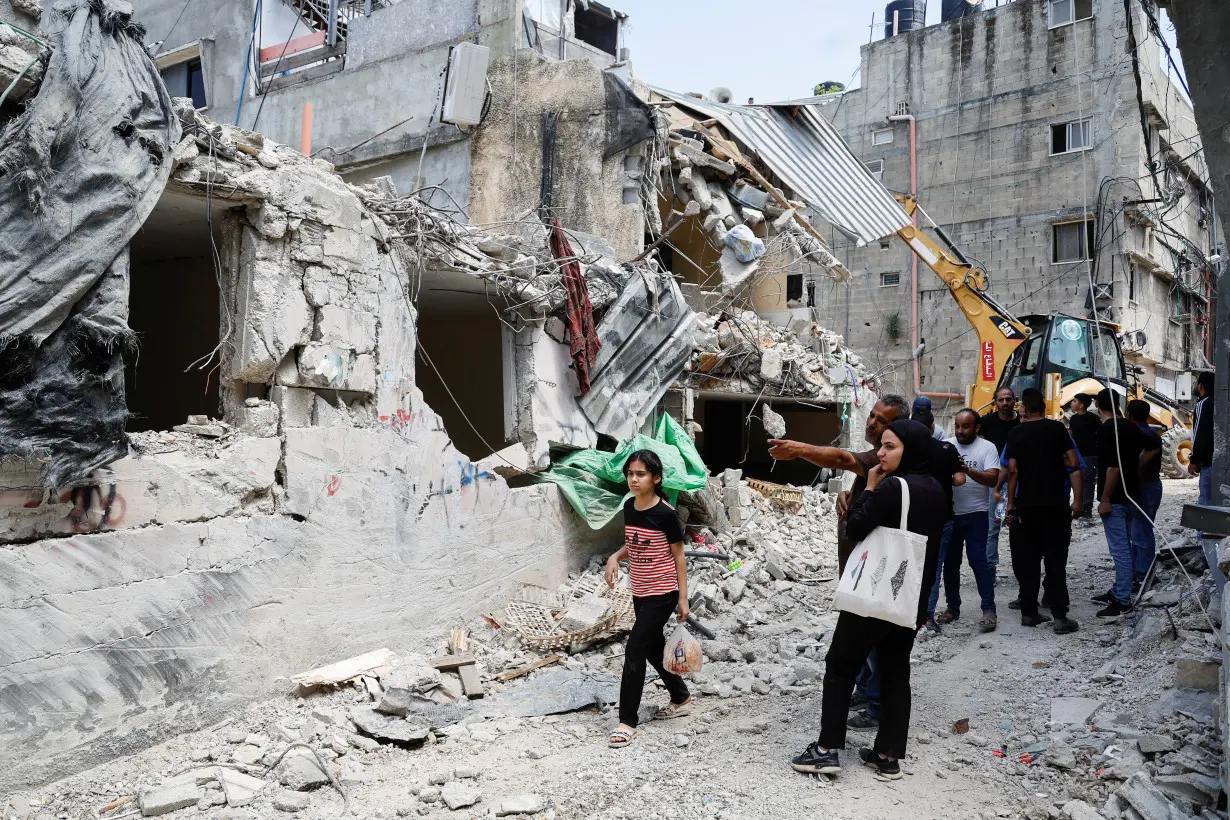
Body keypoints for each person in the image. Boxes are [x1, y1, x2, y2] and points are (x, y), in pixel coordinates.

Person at [790, 420, 946, 781]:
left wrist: (869, 488)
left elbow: (856, 528)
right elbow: (931, 550)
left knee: (841, 666)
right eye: (882, 446)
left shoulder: (892, 486)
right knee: (895, 673)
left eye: (890, 447)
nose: (880, 452)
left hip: (873, 594)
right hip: (906, 599)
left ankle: (826, 750)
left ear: (910, 449)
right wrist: (922, 606)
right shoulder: (935, 488)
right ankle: (887, 756)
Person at [770, 395, 910, 731]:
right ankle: (866, 691)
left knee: (868, 642)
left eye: (881, 420)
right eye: (872, 415)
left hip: (873, 571)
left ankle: (875, 707)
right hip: (858, 568)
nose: (872, 423)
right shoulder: (878, 461)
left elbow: (843, 458)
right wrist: (850, 494)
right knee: (863, 640)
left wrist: (799, 449)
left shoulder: (891, 463)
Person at [605, 450, 691, 748]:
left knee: (635, 649)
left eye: (641, 474)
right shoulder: (629, 507)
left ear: (656, 478)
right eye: (630, 474)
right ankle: (681, 696)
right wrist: (615, 556)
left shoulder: (666, 514)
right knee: (653, 646)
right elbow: (634, 542)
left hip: (663, 592)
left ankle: (627, 721)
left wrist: (683, 598)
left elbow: (679, 556)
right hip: (639, 590)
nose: (634, 479)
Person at [1004, 388, 1083, 634]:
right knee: (1055, 561)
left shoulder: (1016, 433)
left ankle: (1028, 613)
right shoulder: (1057, 429)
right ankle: (1060, 618)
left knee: (1027, 561)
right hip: (1055, 506)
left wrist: (1010, 504)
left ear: (1025, 409)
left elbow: (1013, 472)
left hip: (1026, 506)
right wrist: (1051, 459)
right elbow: (1073, 462)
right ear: (1044, 408)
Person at [927, 409, 1001, 632]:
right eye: (957, 426)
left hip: (977, 513)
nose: (960, 431)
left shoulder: (987, 448)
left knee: (979, 560)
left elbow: (992, 478)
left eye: (966, 426)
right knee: (950, 564)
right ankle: (952, 608)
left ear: (977, 428)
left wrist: (965, 468)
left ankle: (989, 609)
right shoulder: (945, 446)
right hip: (950, 516)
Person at [1091, 389, 1145, 617]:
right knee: (1126, 546)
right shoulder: (1131, 427)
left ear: (1097, 404)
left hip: (1116, 498)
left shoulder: (1107, 429)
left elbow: (1112, 467)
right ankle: (1118, 590)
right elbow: (1144, 451)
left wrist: (1105, 498)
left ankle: (1123, 600)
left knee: (1120, 550)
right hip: (1132, 494)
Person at [915, 403, 966, 633]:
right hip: (941, 517)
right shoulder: (946, 449)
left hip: (911, 517)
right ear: (933, 427)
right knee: (933, 568)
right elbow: (960, 479)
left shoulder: (902, 451)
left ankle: (906, 615)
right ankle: (927, 617)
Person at [980, 387, 1020, 574]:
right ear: (995, 402)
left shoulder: (1022, 421)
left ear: (1014, 401)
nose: (1005, 403)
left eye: (1008, 399)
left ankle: (1022, 569)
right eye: (1001, 400)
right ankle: (990, 567)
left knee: (1018, 524)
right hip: (994, 480)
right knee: (992, 525)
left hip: (1018, 480)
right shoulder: (987, 422)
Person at [1126, 400, 1163, 585]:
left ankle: (1144, 575)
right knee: (1139, 531)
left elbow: (1140, 463)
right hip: (1150, 486)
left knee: (1141, 532)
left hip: (1145, 487)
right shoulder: (1151, 434)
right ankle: (1138, 573)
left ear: (1129, 415)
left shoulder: (1141, 435)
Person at [1067, 393, 1100, 517]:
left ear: (1081, 405)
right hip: (1077, 455)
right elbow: (1071, 434)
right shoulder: (1074, 419)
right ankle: (1078, 505)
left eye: (1074, 401)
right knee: (1078, 481)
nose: (1072, 403)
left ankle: (1087, 508)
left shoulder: (1093, 419)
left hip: (1090, 455)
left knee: (1088, 481)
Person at [1190, 371, 1214, 505]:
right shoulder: (1217, 403)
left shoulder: (1203, 404)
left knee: (1205, 505)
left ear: (1201, 385)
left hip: (1208, 464)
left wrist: (1194, 460)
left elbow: (1199, 433)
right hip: (1217, 461)